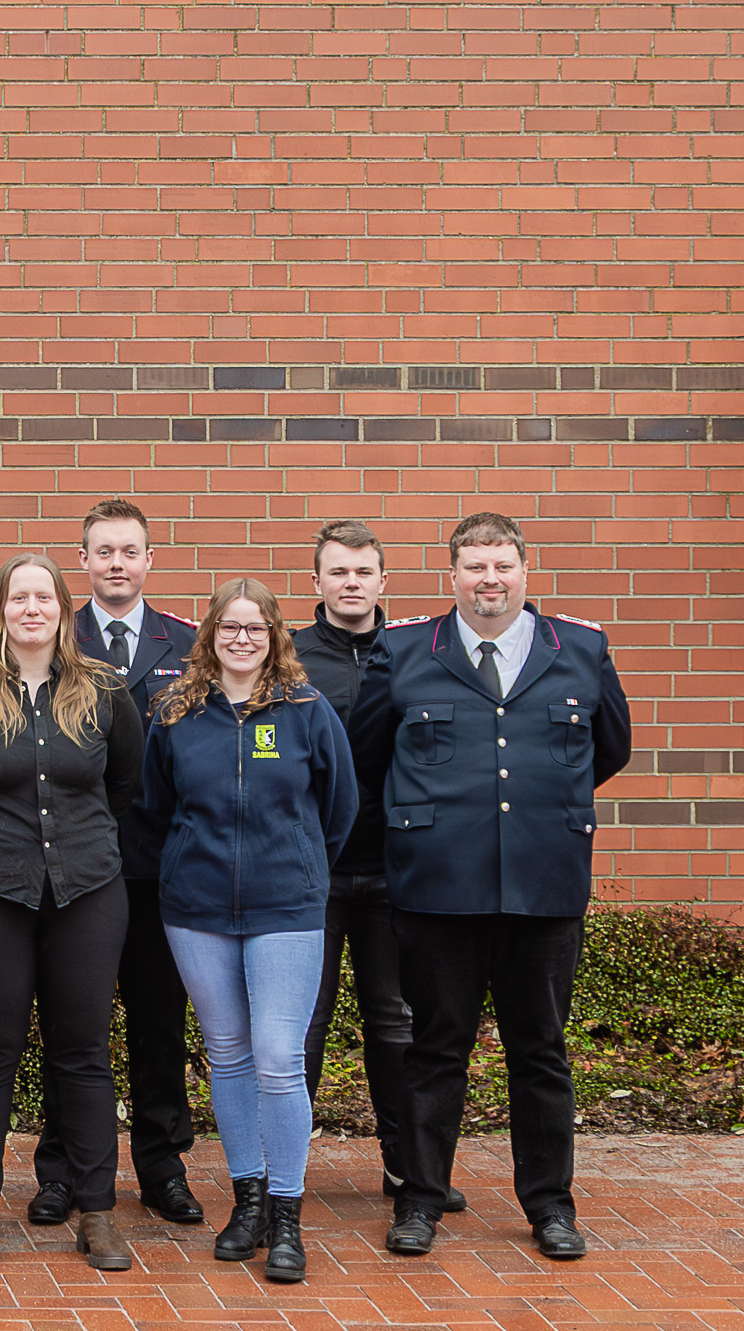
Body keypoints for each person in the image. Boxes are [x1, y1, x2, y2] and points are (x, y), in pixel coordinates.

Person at [350, 513, 633, 1263]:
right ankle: (419, 1200)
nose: (489, 580)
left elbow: (609, 750)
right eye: (475, 567)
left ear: (524, 572)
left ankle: (550, 1208)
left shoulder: (581, 649)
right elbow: (367, 761)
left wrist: (537, 815)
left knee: (539, 1052)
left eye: (502, 565)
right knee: (435, 1052)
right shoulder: (405, 650)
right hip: (437, 889)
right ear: (452, 576)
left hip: (543, 886)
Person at [0, 554, 145, 1274]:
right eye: (20, 598)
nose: (33, 609)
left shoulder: (103, 691)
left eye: (45, 597)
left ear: (64, 610)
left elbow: (126, 783)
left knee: (83, 1053)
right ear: (1, 610)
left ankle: (97, 1213)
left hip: (86, 893)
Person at [137, 580, 356, 1285]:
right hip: (196, 909)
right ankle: (248, 1201)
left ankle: (287, 1221)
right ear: (209, 636)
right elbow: (153, 805)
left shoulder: (305, 710)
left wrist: (293, 857)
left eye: (255, 628)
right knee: (227, 1053)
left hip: (286, 907)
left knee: (277, 1057)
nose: (241, 638)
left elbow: (339, 808)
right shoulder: (176, 714)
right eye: (228, 628)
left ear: (274, 637)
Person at [40, 498, 202, 1227]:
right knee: (70, 1025)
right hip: (70, 870)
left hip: (159, 867)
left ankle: (162, 1165)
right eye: (102, 551)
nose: (115, 564)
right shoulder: (49, 635)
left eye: (129, 551)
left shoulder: (188, 644)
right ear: (83, 561)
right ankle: (61, 1169)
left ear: (148, 560)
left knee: (160, 1024)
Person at [291, 520, 451, 1217]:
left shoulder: (416, 654)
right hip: (311, 872)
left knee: (398, 1025)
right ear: (317, 582)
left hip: (396, 872)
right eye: (338, 572)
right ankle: (281, 1173)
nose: (351, 583)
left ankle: (405, 1167)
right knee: (305, 1025)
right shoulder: (288, 659)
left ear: (383, 582)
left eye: (363, 572)